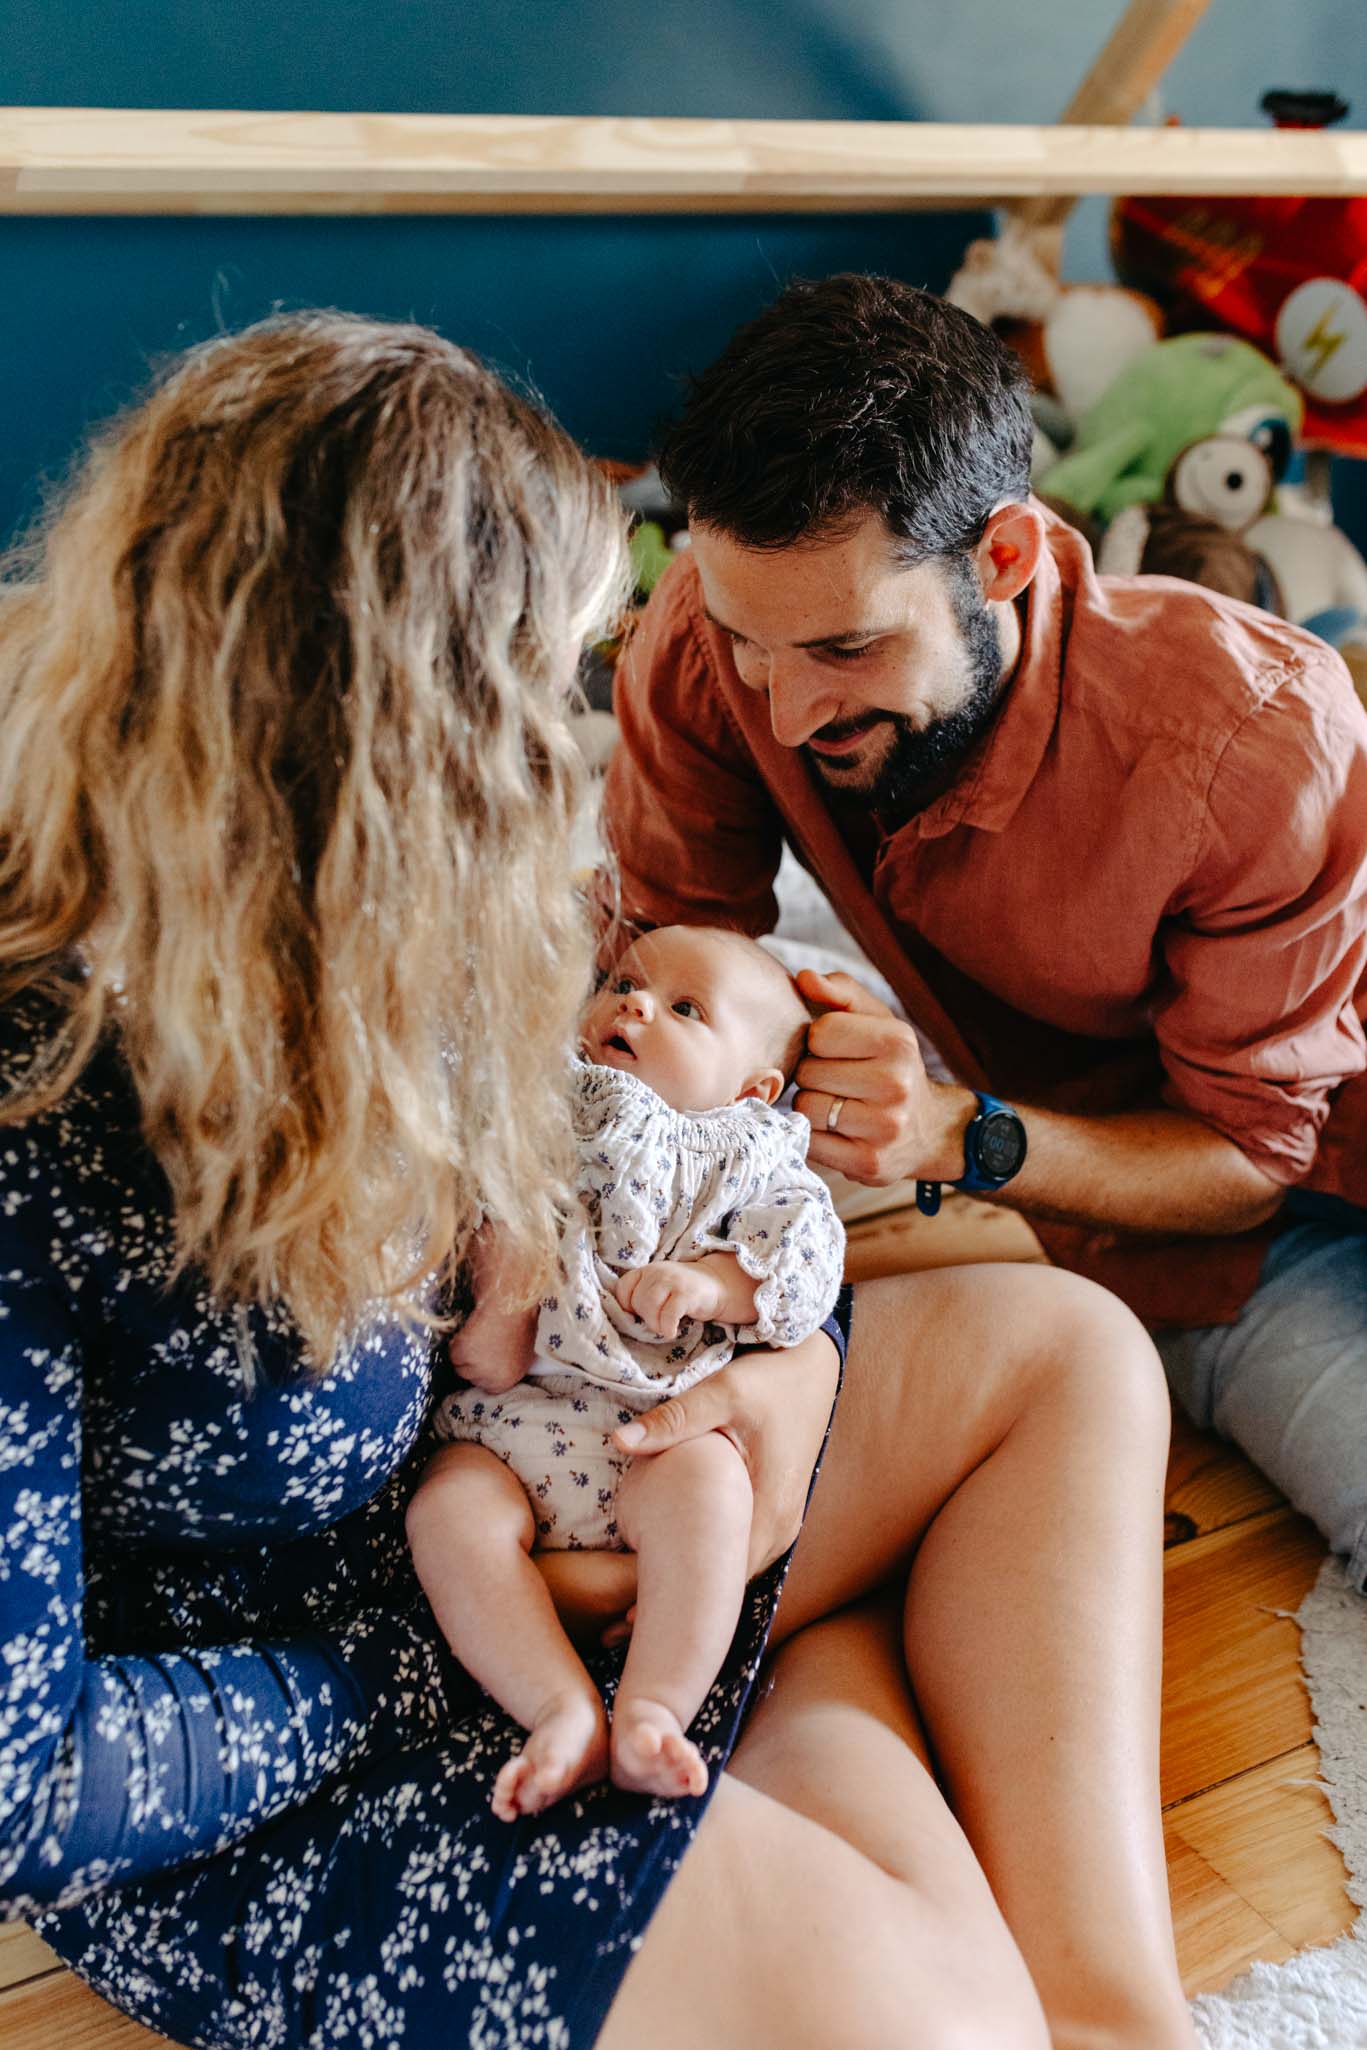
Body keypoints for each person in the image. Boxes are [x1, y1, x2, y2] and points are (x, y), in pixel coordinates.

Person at [0, 309, 1196, 2050]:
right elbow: (22, 1781)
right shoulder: (39, 1109)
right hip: (293, 1756)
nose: (572, 747)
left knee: (1067, 1353)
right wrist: (451, 1635)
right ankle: (799, 1700)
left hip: (573, 1479)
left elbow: (648, 1196)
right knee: (939, 2033)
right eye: (549, 684)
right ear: (410, 732)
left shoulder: (440, 927)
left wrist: (780, 1384)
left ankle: (1118, 2009)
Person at [604, 269, 1367, 1588]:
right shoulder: (716, 642)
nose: (782, 711)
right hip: (1077, 1216)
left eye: (845, 648)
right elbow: (665, 987)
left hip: (1299, 1190)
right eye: (748, 644)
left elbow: (1251, 1157)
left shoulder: (1252, 738)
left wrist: (961, 1136)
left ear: (1003, 557)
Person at [409, 925, 843, 1817]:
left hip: (654, 1427)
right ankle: (556, 1709)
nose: (633, 1005)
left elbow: (802, 1262)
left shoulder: (748, 1152)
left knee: (711, 1492)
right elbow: (492, 1196)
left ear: (753, 1087)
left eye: (685, 1009)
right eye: (618, 984)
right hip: (514, 1424)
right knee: (447, 1513)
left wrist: (712, 1286)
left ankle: (652, 1711)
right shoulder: (544, 1102)